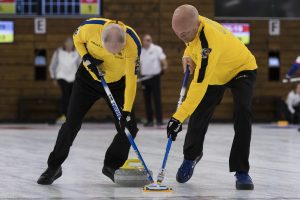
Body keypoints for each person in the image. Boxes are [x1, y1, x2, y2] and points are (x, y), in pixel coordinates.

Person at [37, 18, 141, 185]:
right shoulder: (90, 28)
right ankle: (54, 167)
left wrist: (126, 111)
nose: (114, 54)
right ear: (102, 40)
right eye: (110, 51)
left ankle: (111, 165)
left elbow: (131, 80)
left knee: (129, 127)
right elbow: (76, 39)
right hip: (88, 80)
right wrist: (86, 58)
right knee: (71, 124)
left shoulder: (133, 44)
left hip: (118, 84)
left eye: (118, 51)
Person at [166, 5, 257, 190]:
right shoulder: (191, 28)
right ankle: (191, 157)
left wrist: (178, 118)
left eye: (183, 34)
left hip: (242, 68)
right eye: (178, 34)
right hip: (216, 71)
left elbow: (198, 85)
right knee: (200, 113)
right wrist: (186, 55)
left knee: (242, 111)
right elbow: (191, 44)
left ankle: (241, 171)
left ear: (196, 24)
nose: (181, 37)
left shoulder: (209, 42)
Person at [49, 37, 81, 123]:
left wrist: (80, 78)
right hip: (61, 76)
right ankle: (64, 115)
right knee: (65, 95)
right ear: (65, 44)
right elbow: (53, 65)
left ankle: (72, 116)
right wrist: (53, 77)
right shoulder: (58, 52)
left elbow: (80, 66)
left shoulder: (77, 53)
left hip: (73, 78)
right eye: (68, 43)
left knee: (72, 97)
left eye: (71, 44)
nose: (69, 45)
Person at [140, 34, 168, 127]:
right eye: (146, 40)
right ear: (143, 41)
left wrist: (164, 67)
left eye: (149, 40)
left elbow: (163, 60)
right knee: (147, 99)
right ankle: (149, 120)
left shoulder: (156, 49)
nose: (148, 41)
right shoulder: (141, 51)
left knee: (157, 99)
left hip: (154, 77)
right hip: (144, 78)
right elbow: (138, 64)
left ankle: (159, 120)